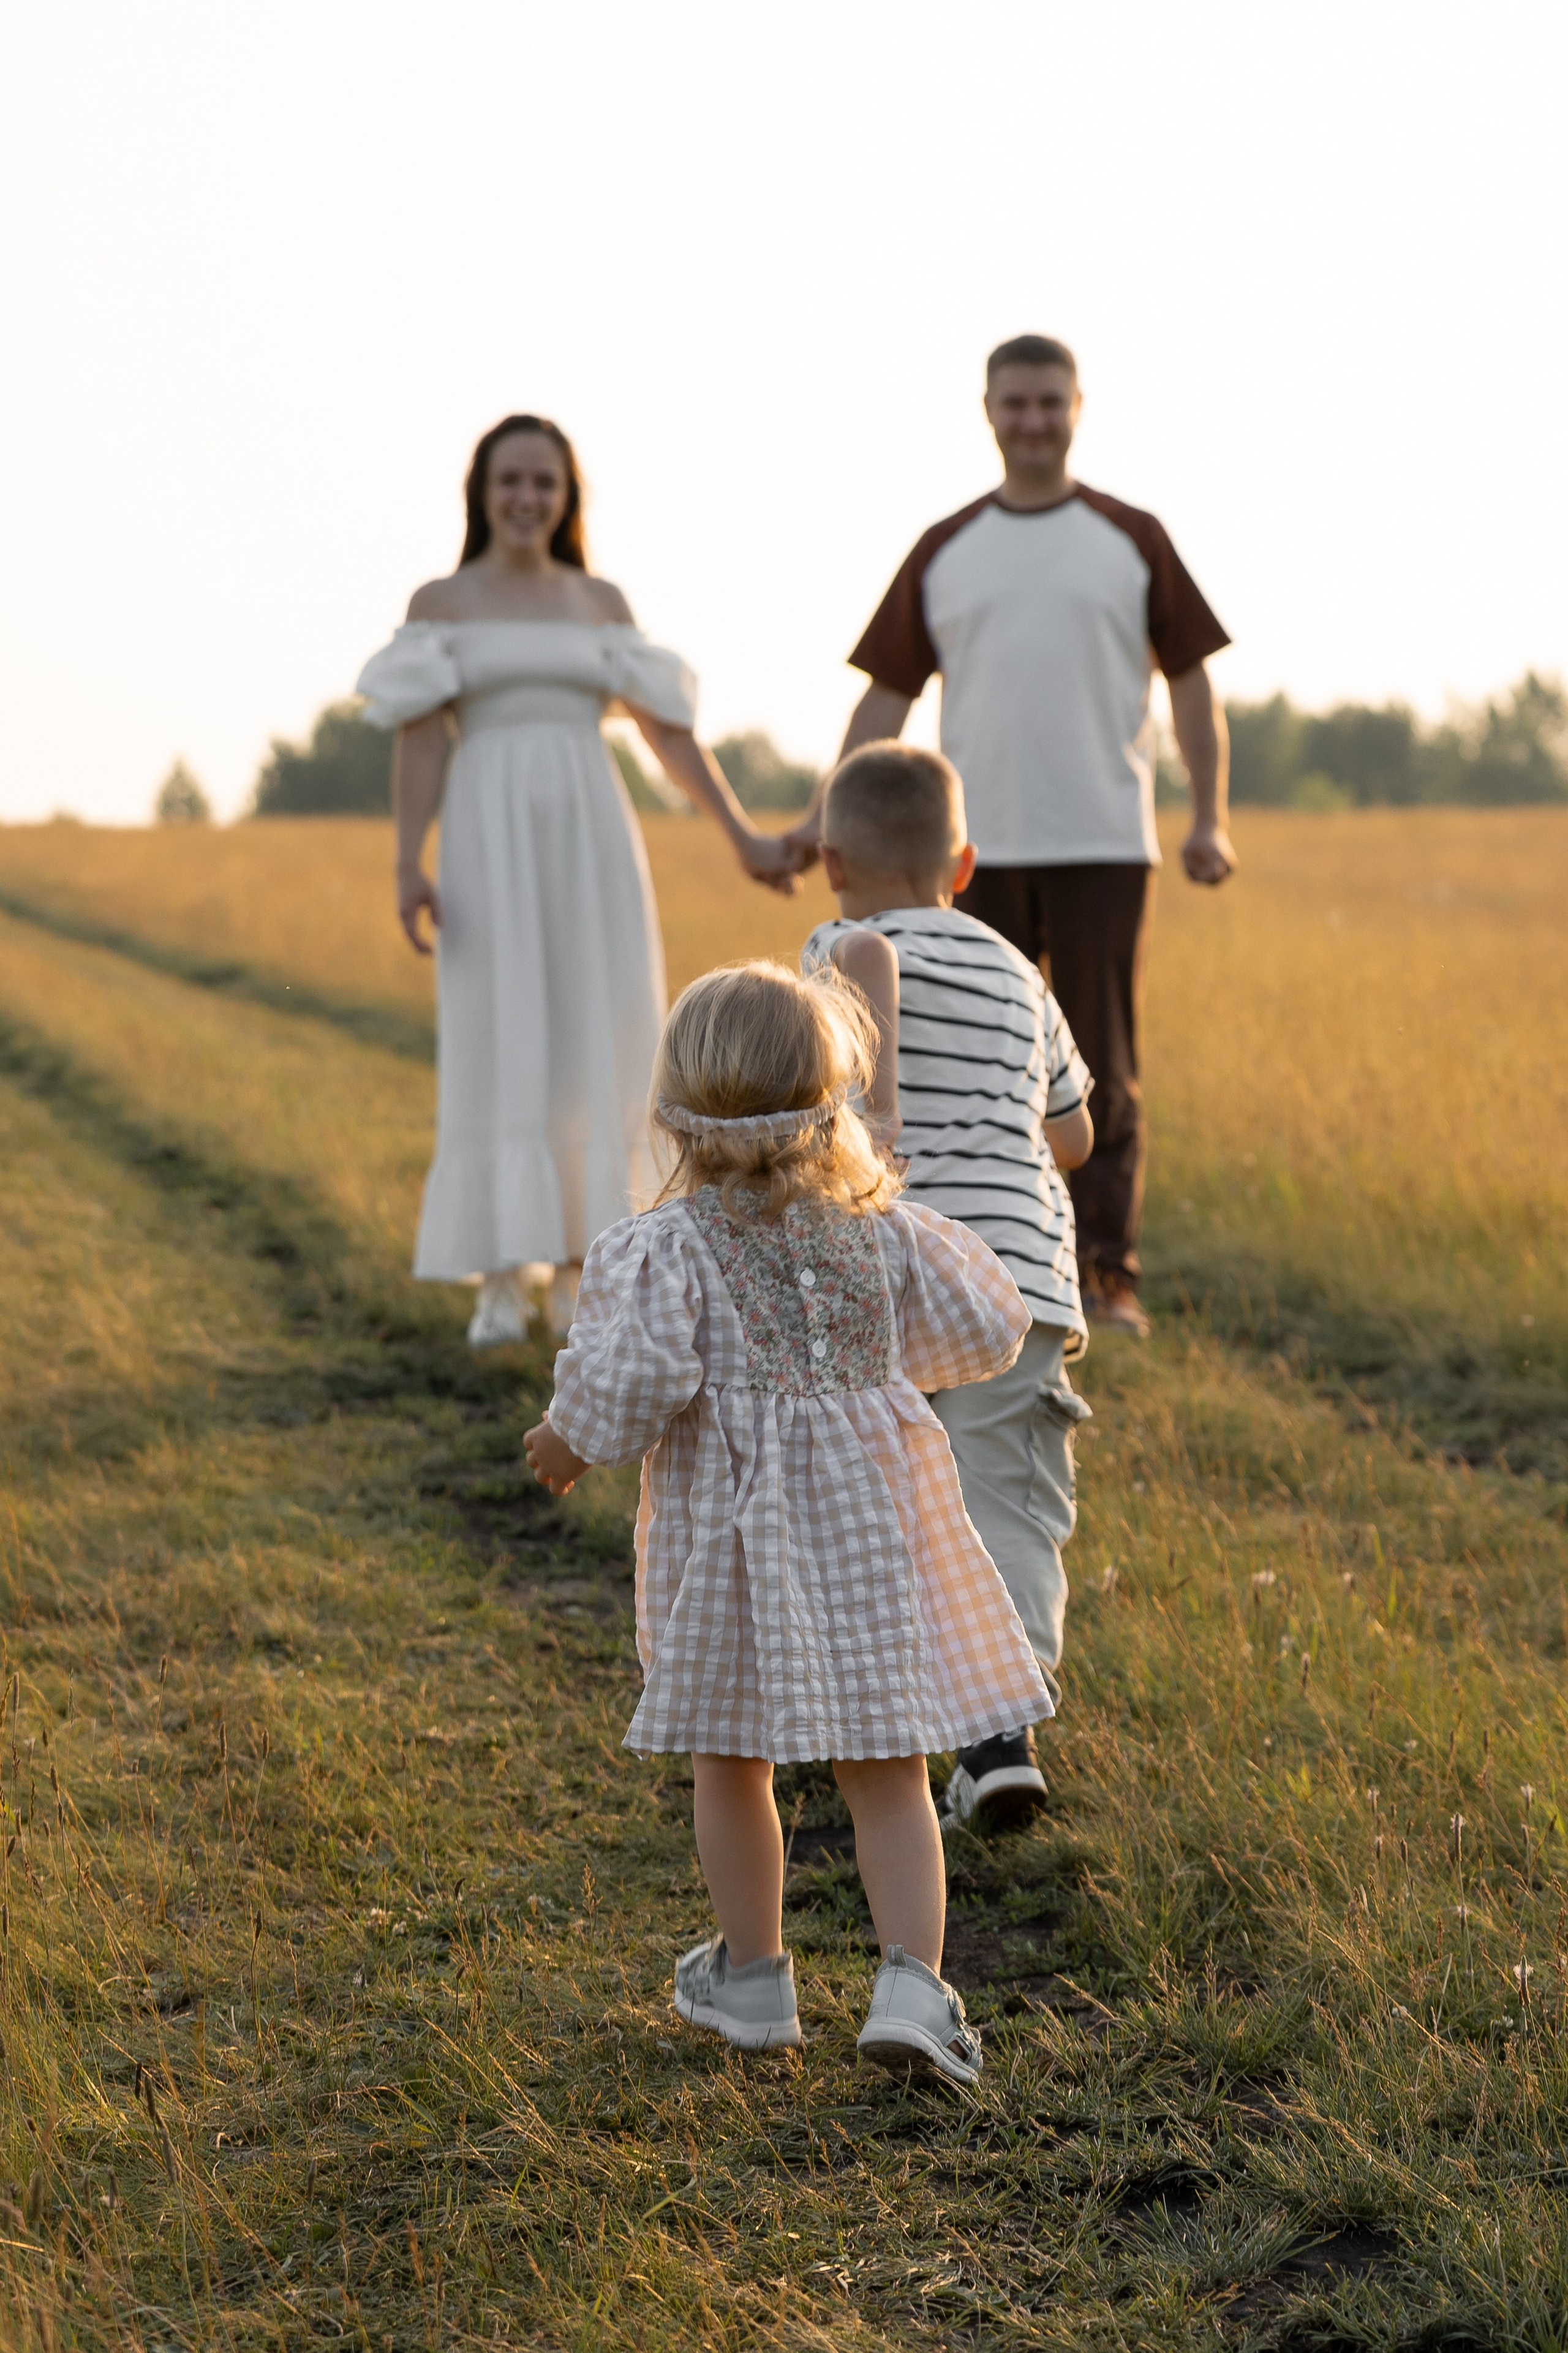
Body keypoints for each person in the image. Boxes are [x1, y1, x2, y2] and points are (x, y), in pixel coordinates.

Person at [522, 962, 1050, 2082]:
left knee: (731, 1757)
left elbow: (632, 1381)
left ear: (676, 1110)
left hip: (733, 1548)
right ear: (833, 1099)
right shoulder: (882, 1233)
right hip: (870, 1530)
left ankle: (756, 1976)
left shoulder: (665, 1248)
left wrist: (566, 1440)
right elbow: (994, 1322)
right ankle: (914, 1983)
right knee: (888, 1765)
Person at [786, 335, 1233, 1338]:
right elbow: (886, 697)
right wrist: (821, 823)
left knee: (1098, 1063)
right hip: (954, 853)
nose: (1032, 421)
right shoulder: (948, 547)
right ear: (986, 410)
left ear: (1079, 406)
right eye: (1014, 404)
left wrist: (1208, 817)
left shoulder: (1133, 537)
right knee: (927, 1052)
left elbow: (1193, 682)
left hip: (1104, 838)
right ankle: (934, 1254)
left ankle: (1102, 1272)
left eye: (1049, 403)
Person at [357, 413, 801, 1346]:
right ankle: (497, 1275)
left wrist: (740, 832)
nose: (526, 498)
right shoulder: (441, 598)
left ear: (568, 498)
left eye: (544, 483)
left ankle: (574, 1270)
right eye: (510, 481)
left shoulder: (599, 602)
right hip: (486, 834)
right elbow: (421, 736)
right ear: (481, 491)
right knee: (497, 1022)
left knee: (599, 1028)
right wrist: (409, 861)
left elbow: (664, 732)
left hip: (591, 834)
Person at [802, 741, 1093, 1832]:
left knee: (876, 1486)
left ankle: (866, 1711)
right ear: (963, 863)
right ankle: (998, 1735)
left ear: (830, 858)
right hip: (1018, 1277)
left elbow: (810, 1096)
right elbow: (1074, 1136)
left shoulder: (833, 948)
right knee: (1007, 1492)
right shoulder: (1021, 971)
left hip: (890, 1260)